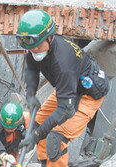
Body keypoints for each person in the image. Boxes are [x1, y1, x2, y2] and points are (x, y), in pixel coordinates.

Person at [16, 9, 109, 167]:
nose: (34, 50)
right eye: (31, 47)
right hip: (67, 88)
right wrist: (31, 94)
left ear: (50, 37)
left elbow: (65, 109)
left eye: (37, 46)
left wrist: (36, 136)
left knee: (55, 139)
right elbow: (31, 68)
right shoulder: (34, 47)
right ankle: (46, 163)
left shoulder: (63, 62)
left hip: (89, 94)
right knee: (38, 123)